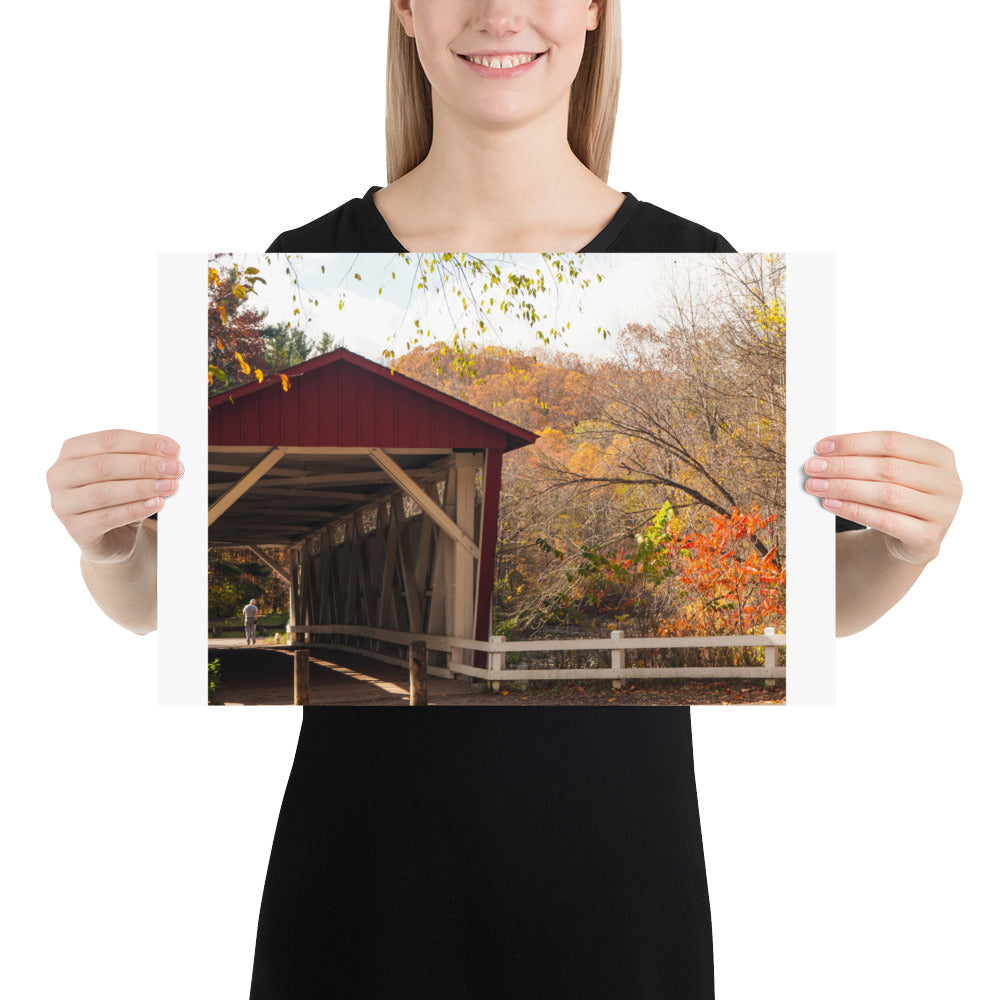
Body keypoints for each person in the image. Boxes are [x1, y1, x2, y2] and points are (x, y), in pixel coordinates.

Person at [44, 2, 963, 997]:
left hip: (615, 896)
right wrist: (113, 546)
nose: (499, 11)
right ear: (403, 10)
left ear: (594, 10)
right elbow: (166, 610)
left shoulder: (700, 269)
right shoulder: (294, 276)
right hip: (361, 892)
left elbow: (803, 606)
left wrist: (904, 546)